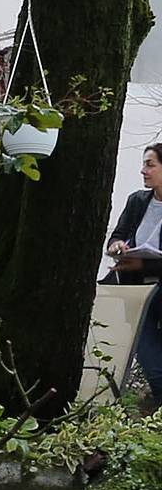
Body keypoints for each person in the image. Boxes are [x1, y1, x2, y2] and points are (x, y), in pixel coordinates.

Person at [103, 145, 162, 401]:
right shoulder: (137, 201)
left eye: (150, 164)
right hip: (136, 292)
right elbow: (117, 234)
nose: (143, 170)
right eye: (144, 164)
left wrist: (144, 265)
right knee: (149, 358)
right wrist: (117, 246)